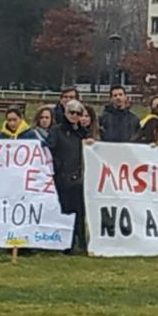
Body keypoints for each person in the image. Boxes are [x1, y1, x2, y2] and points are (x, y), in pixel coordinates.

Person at [48, 100, 91, 253]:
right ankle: (66, 244)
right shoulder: (56, 131)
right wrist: (59, 169)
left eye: (77, 113)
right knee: (66, 212)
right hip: (63, 178)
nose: (74, 116)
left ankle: (82, 244)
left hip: (80, 178)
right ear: (65, 113)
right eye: (71, 112)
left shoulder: (83, 133)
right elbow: (50, 150)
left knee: (80, 213)